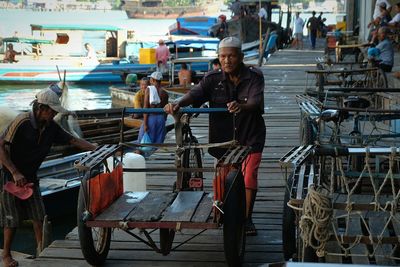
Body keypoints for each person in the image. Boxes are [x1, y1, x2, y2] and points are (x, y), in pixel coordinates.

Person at [164, 36, 266, 236]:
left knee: (248, 176)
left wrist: (241, 106)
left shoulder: (254, 77)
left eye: (231, 56)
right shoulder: (212, 79)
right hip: (223, 139)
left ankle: (246, 219)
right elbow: (195, 94)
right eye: (223, 56)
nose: (227, 60)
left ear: (241, 57)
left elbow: (254, 101)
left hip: (250, 136)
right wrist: (179, 103)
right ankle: (222, 210)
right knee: (223, 178)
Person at [0, 88, 96, 267]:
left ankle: (43, 251)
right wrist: (14, 172)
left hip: (30, 177)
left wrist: (95, 148)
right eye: (51, 110)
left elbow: (73, 140)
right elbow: (1, 146)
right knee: (11, 219)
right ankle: (6, 255)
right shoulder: (22, 121)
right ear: (41, 108)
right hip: (9, 176)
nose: (53, 114)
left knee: (39, 215)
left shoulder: (51, 127)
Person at [137, 71, 169, 147]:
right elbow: (166, 111)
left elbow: (145, 107)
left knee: (142, 144)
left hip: (150, 119)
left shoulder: (149, 89)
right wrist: (163, 121)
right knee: (157, 145)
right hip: (161, 119)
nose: (150, 80)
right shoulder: (165, 93)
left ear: (153, 80)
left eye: (150, 79)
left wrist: (145, 123)